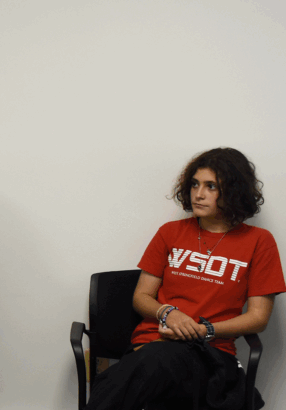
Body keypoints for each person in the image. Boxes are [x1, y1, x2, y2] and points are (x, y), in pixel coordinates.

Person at [86, 147, 285, 410]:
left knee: (128, 375)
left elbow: (258, 318)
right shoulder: (171, 232)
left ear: (235, 191)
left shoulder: (259, 241)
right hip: (153, 344)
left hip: (211, 353)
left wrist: (204, 330)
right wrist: (169, 313)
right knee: (154, 361)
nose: (198, 194)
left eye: (211, 186)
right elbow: (141, 297)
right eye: (194, 184)